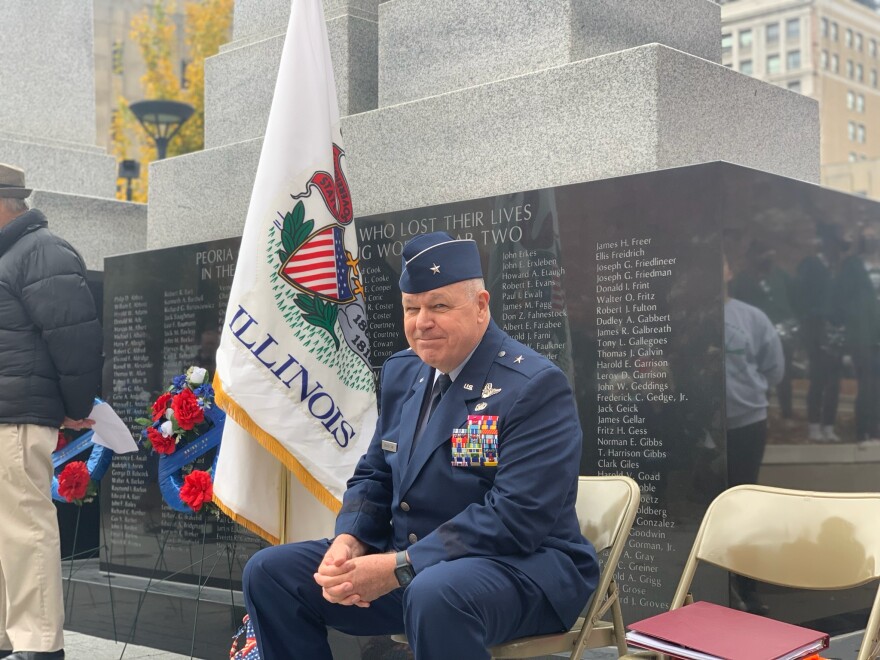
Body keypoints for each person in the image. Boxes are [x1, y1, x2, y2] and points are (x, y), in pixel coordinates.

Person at [243, 232, 599, 660]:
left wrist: (400, 566)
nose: (421, 322)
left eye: (439, 306)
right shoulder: (403, 372)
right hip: (416, 566)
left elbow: (516, 518)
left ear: (482, 305)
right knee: (270, 573)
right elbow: (376, 473)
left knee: (435, 593)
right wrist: (350, 541)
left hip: (523, 569)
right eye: (411, 309)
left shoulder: (533, 387)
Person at [0, 164, 103, 660]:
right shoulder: (15, 254)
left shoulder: (40, 251)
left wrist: (77, 407)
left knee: (24, 527)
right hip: (6, 412)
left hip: (18, 416)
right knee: (5, 533)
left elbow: (76, 336)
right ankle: (8, 635)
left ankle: (39, 644)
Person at [724, 256, 784, 614]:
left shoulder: (751, 318)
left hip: (747, 423)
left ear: (730, 271)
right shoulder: (684, 315)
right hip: (702, 432)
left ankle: (748, 589)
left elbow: (773, 366)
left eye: (721, 264)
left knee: (743, 505)